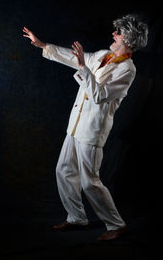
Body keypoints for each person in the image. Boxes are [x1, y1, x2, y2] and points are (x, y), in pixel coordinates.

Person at [22, 14, 148, 241]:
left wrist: (82, 66)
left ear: (128, 39)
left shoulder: (127, 70)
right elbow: (73, 58)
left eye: (118, 32)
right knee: (64, 170)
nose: (113, 34)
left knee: (89, 180)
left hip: (93, 130)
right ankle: (76, 217)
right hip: (76, 124)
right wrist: (43, 46)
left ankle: (116, 225)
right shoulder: (103, 55)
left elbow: (99, 96)